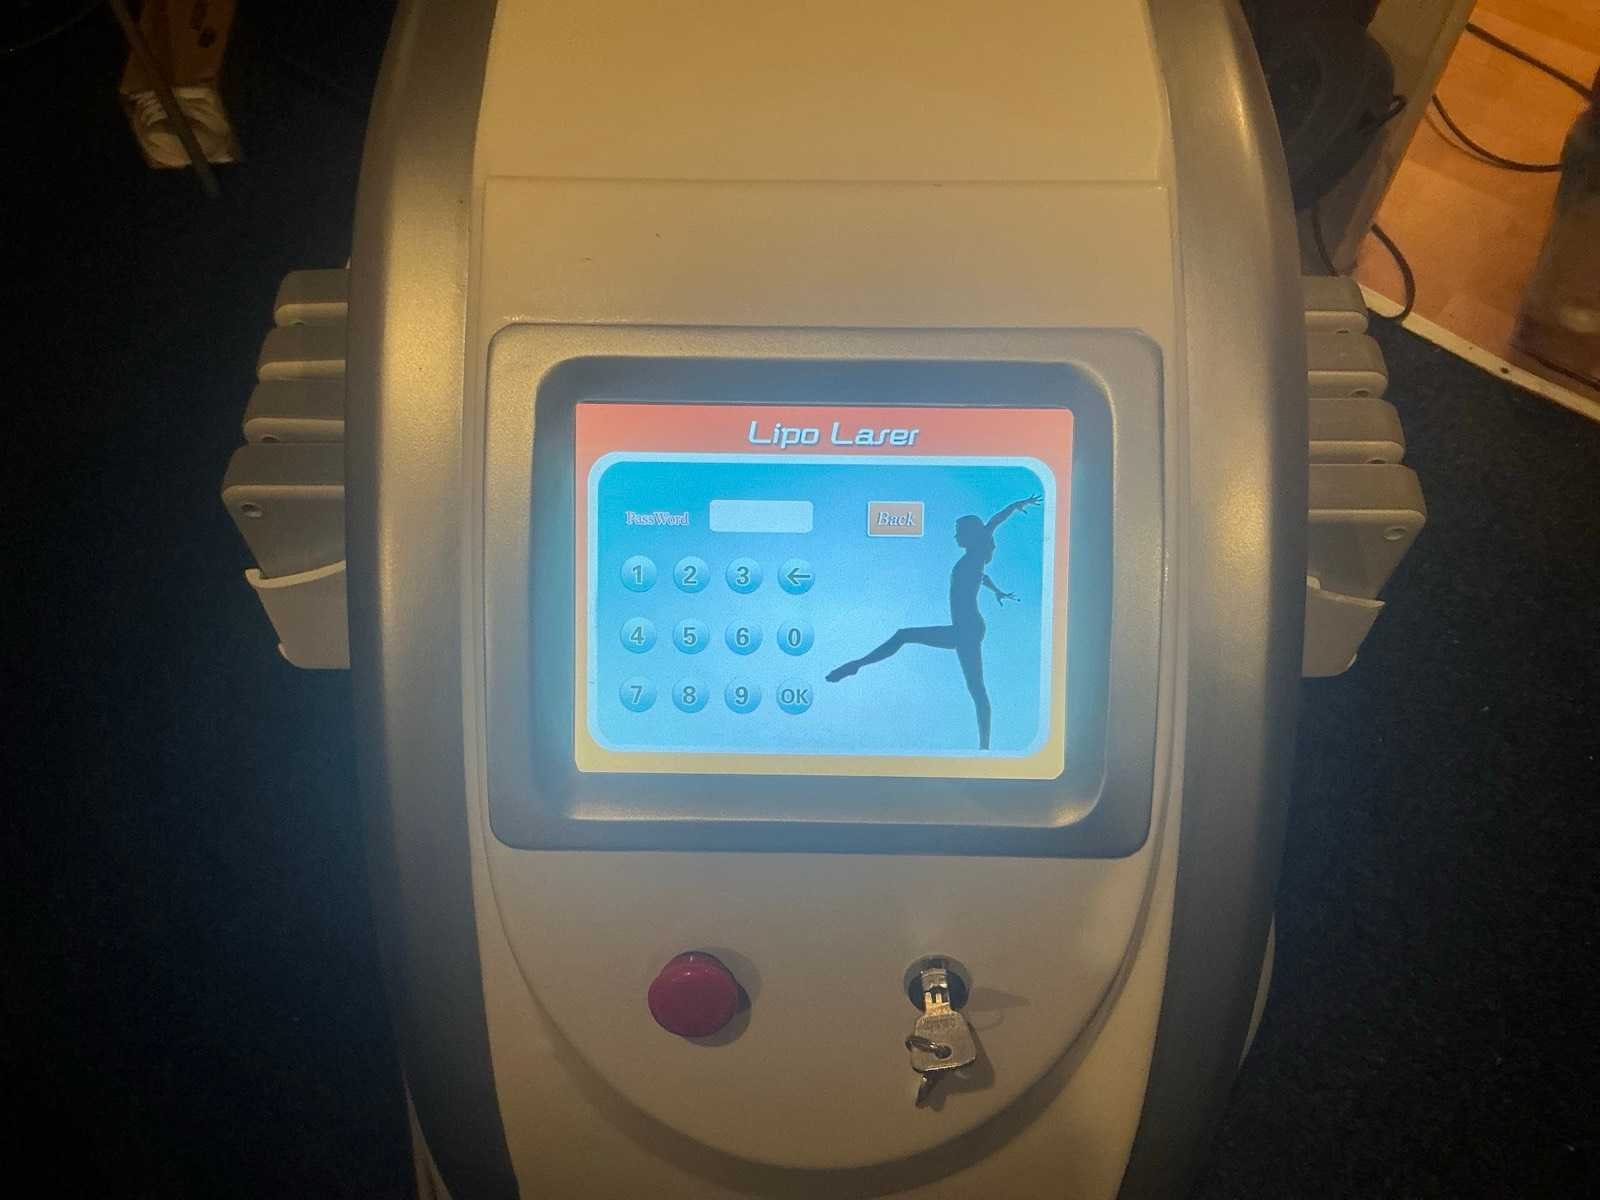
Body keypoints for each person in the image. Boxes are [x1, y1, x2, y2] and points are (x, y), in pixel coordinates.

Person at [826, 494, 1041, 749]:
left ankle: (985, 747)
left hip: (968, 630)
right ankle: (857, 665)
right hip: (964, 628)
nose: (955, 536)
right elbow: (980, 578)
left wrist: (1015, 506)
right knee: (906, 637)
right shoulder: (972, 562)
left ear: (972, 534)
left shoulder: (975, 554)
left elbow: (994, 522)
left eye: (959, 531)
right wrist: (997, 591)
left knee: (976, 688)